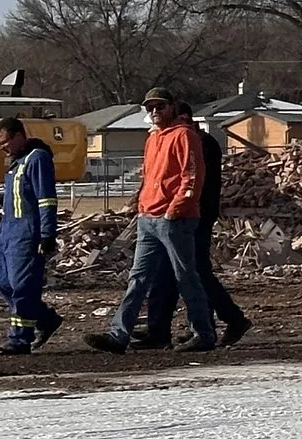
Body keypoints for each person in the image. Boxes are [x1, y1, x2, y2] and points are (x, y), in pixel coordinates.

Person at [90, 88, 216, 353]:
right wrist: (141, 206)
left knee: (185, 276)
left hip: (174, 220)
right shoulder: (153, 138)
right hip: (149, 217)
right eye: (150, 108)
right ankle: (118, 335)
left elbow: (192, 177)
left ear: (171, 107)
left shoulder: (184, 136)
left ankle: (203, 333)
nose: (155, 111)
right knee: (138, 278)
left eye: (160, 106)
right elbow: (148, 177)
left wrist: (175, 209)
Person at [140, 120, 251, 348]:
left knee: (192, 272)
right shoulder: (193, 141)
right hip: (187, 215)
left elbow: (192, 180)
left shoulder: (197, 143)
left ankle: (222, 321)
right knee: (174, 273)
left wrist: (176, 208)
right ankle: (166, 328)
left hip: (192, 217)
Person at [0, 116, 63, 355]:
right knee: (3, 283)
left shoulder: (37, 159)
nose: (1, 148)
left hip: (26, 233)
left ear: (19, 136)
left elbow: (46, 199)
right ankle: (45, 319)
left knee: (23, 286)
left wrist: (47, 234)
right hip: (7, 233)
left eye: (4, 143)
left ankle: (19, 339)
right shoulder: (16, 163)